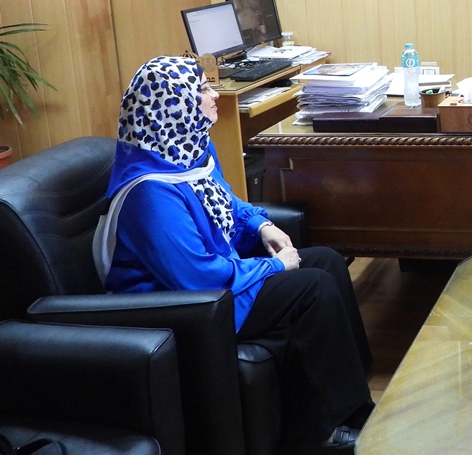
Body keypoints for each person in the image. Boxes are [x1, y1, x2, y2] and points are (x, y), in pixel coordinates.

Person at [94, 57, 373, 454]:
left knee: (325, 259)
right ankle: (323, 433)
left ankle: (354, 408)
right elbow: (196, 277)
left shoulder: (189, 152)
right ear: (172, 105)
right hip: (179, 306)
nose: (215, 96)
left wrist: (261, 225)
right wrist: (273, 265)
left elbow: (227, 204)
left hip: (213, 281)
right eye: (203, 90)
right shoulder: (149, 192)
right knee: (311, 287)